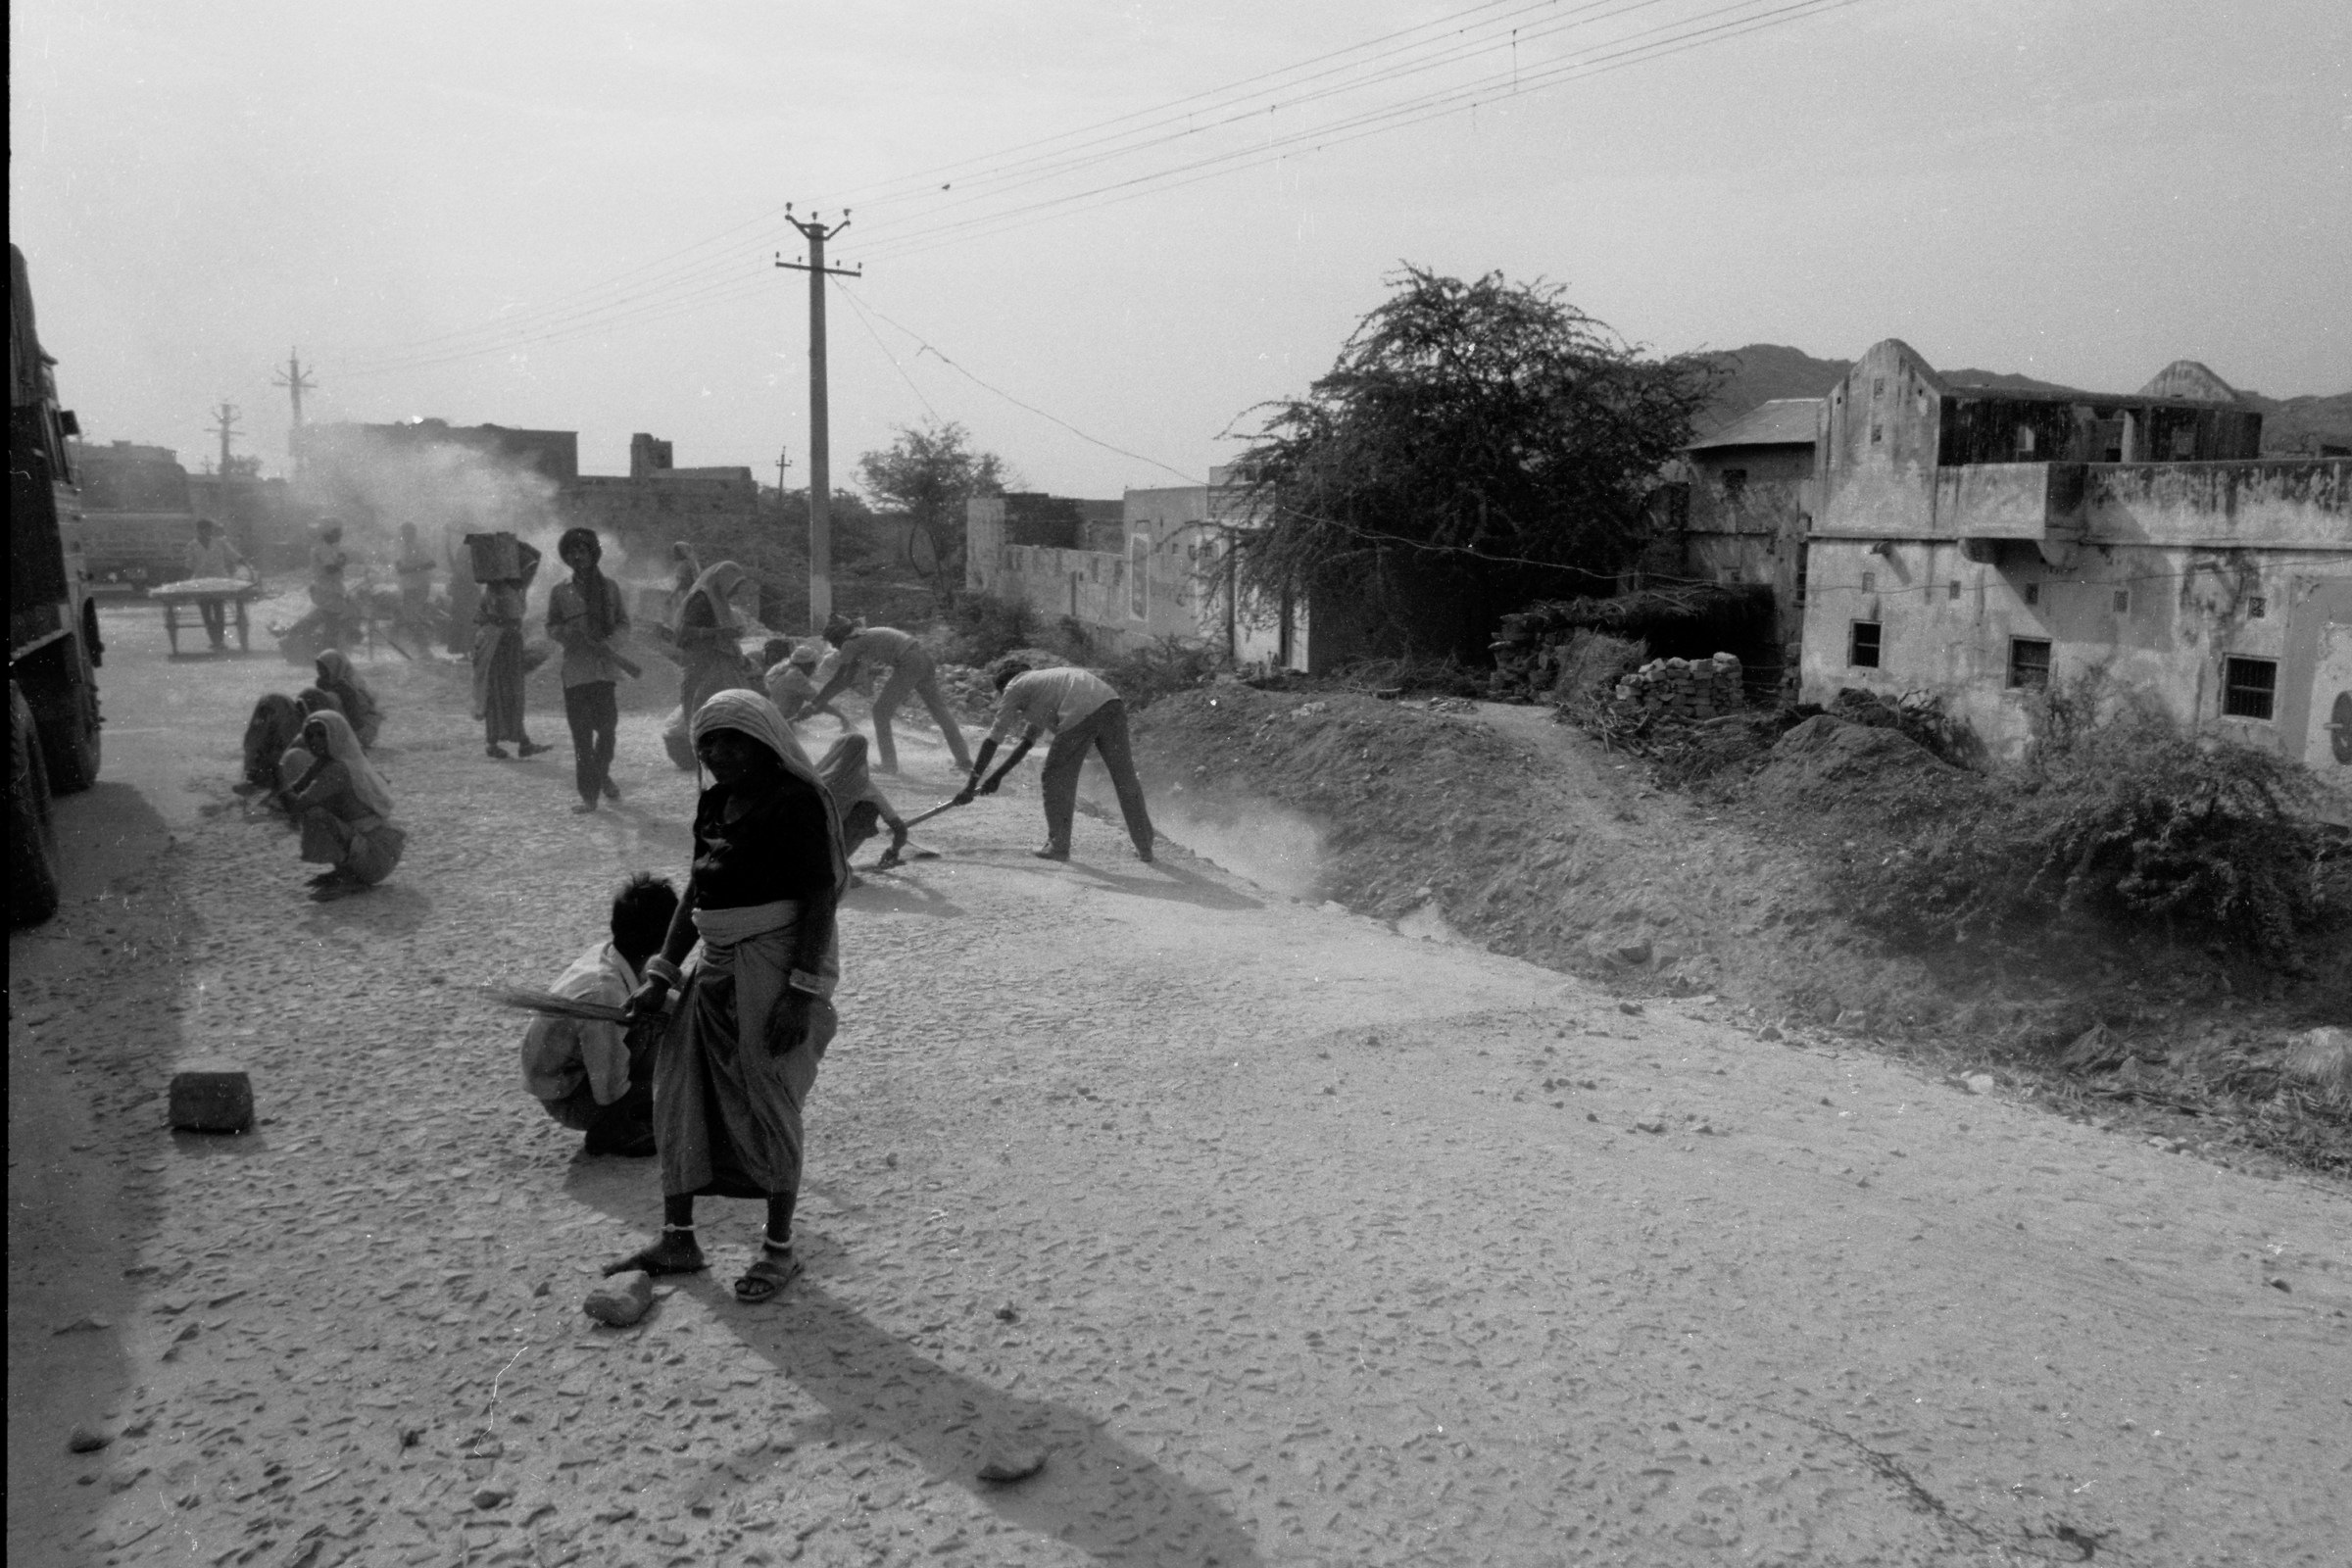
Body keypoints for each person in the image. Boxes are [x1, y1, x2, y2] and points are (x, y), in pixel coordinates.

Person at [605, 689, 847, 1303]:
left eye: (731, 739)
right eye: (706, 741)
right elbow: (696, 893)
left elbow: (819, 900)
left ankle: (779, 1249)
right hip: (712, 970)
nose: (717, 752)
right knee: (678, 1093)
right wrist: (660, 974)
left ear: (764, 741)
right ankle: (679, 1236)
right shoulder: (713, 803)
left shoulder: (795, 804)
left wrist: (802, 992)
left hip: (772, 969)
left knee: (769, 1101)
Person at [521, 873, 679, 1157]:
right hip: (569, 1098)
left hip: (570, 1077)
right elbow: (610, 1092)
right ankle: (612, 1131)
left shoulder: (610, 953)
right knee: (681, 1087)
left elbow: (660, 977)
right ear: (663, 941)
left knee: (668, 1021)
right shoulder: (604, 994)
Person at [956, 661, 1155, 863]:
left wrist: (970, 785)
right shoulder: (1043, 686)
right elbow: (1026, 744)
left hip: (1080, 709)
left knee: (1055, 776)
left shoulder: (1014, 687)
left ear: (1002, 686)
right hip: (1112, 703)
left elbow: (993, 740)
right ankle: (1145, 846)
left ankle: (1058, 846)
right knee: (1124, 778)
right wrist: (996, 777)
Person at [807, 615, 972, 775]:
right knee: (939, 711)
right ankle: (964, 760)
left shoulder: (850, 643)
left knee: (880, 712)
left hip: (908, 662)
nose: (835, 647)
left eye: (833, 641)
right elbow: (847, 678)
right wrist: (818, 702)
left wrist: (816, 703)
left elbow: (839, 680)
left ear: (838, 636)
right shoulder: (864, 636)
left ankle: (889, 765)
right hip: (922, 657)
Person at [547, 527, 634, 812]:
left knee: (607, 733)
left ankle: (602, 774)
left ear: (592, 554)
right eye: (572, 552)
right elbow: (551, 626)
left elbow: (623, 623)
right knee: (582, 737)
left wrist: (611, 643)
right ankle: (589, 796)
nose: (577, 556)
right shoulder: (560, 591)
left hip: (604, 670)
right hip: (576, 673)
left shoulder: (610, 588)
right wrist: (566, 633)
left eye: (582, 551)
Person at [283, 710, 407, 895]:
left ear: (335, 735)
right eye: (310, 735)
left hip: (375, 855)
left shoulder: (338, 769)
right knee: (320, 810)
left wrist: (276, 793)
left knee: (315, 813)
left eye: (321, 734)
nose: (314, 740)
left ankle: (350, 877)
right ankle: (346, 873)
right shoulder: (329, 762)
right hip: (371, 850)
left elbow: (301, 802)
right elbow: (296, 788)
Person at [473, 549, 550, 761]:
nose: (531, 575)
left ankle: (521, 741)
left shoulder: (512, 588)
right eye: (528, 571)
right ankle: (495, 742)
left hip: (507, 644)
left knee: (512, 694)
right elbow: (487, 617)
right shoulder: (500, 590)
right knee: (499, 693)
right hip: (499, 646)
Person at [671, 561, 761, 722]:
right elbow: (685, 630)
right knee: (698, 701)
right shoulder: (702, 599)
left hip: (716, 657)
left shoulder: (718, 599)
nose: (735, 591)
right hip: (701, 657)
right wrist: (719, 633)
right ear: (723, 580)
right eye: (734, 586)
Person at [814, 734, 910, 869]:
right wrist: (893, 851)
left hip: (798, 845)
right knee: (868, 808)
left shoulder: (812, 776)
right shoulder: (863, 786)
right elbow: (900, 829)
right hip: (823, 851)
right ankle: (836, 865)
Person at [182, 518, 247, 650]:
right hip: (201, 583)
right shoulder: (192, 546)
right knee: (206, 614)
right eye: (204, 530)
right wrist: (184, 583)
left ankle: (219, 641)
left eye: (209, 530)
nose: (207, 533)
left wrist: (243, 561)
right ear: (199, 531)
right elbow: (188, 565)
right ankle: (214, 639)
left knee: (219, 611)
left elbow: (232, 554)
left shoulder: (220, 543)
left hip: (219, 581)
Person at [763, 639, 851, 728]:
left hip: (770, 716)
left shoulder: (780, 667)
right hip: (781, 722)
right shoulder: (796, 676)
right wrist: (842, 717)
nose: (814, 670)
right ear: (808, 665)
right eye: (814, 666)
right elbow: (818, 701)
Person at [314, 650, 382, 749]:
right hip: (349, 727)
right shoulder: (322, 683)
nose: (319, 672)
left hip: (362, 731)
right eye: (318, 668)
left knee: (331, 698)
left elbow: (355, 720)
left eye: (323, 668)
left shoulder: (345, 688)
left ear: (333, 668)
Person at [237, 694, 303, 798]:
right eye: (263, 711)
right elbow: (251, 748)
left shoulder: (292, 731)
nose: (267, 715)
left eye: (270, 711)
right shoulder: (258, 730)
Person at [310, 521, 352, 646]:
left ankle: (327, 649)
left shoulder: (327, 548)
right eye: (337, 533)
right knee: (331, 623)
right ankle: (326, 650)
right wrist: (341, 563)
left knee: (331, 624)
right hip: (327, 589)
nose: (340, 536)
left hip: (329, 587)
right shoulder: (324, 549)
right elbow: (330, 569)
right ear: (327, 533)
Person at [394, 523, 436, 639]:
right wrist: (400, 568)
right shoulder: (401, 547)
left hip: (420, 585)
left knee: (415, 614)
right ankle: (417, 642)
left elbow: (432, 563)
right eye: (404, 532)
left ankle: (422, 642)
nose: (405, 535)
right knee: (409, 615)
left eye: (408, 532)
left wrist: (412, 569)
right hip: (408, 586)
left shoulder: (420, 546)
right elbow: (399, 565)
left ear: (413, 533)